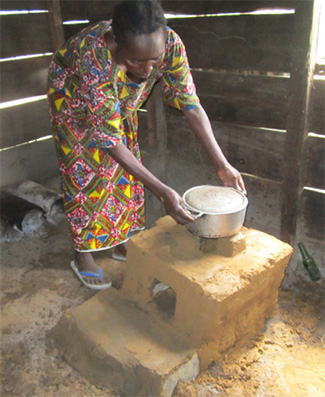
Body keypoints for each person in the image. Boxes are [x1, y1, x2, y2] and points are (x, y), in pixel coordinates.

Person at [47, 0, 246, 290]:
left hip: (116, 102)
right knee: (85, 170)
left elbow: (190, 103)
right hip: (73, 98)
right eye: (136, 61)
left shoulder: (172, 45)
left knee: (127, 171)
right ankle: (83, 254)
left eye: (155, 59)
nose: (146, 69)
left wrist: (221, 164)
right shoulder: (94, 56)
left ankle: (121, 242)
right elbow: (109, 140)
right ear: (117, 42)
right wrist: (163, 190)